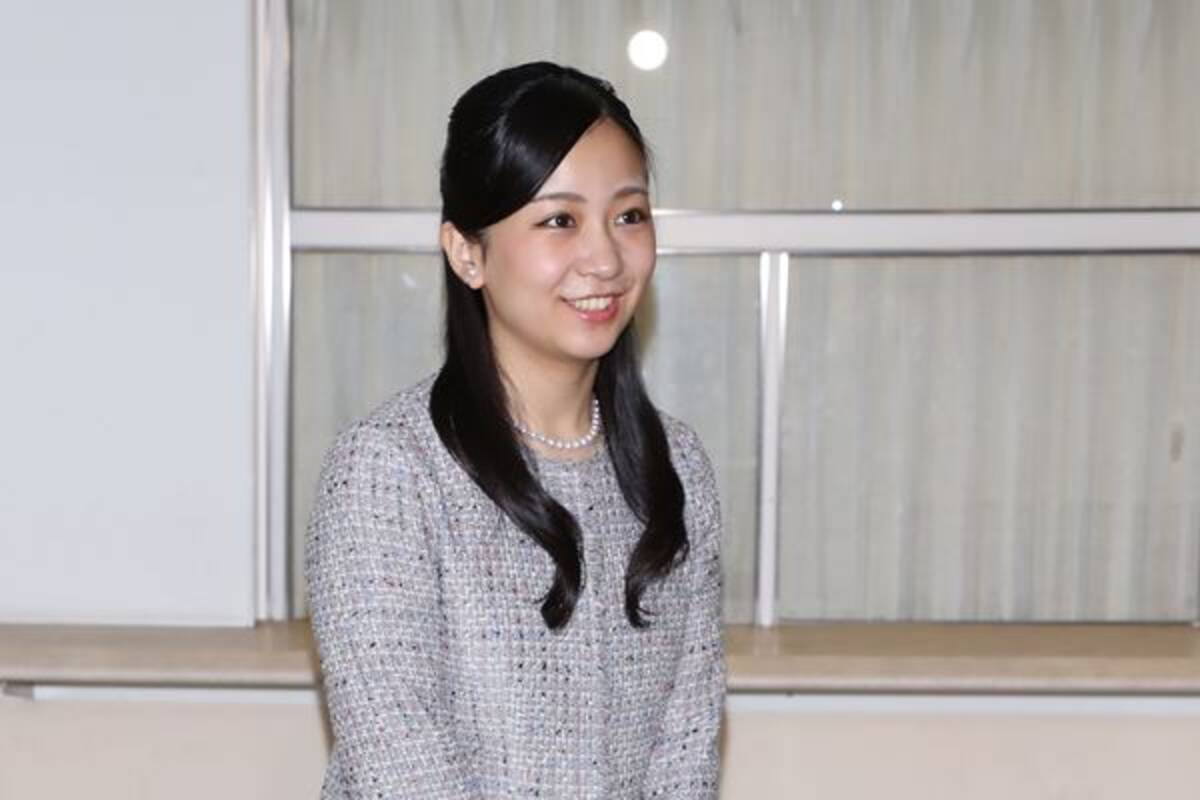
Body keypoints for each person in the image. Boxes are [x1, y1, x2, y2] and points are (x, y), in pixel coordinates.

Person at [305, 61, 726, 799]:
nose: (605, 258)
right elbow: (401, 767)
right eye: (559, 220)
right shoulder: (389, 470)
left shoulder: (677, 466)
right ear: (467, 252)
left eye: (629, 215)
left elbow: (685, 747)